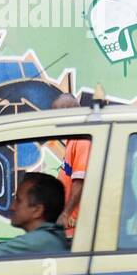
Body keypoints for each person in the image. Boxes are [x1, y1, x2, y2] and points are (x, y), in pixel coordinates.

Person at [51, 93, 90, 236]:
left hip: (76, 230)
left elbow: (80, 181)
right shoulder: (73, 138)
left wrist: (66, 214)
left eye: (56, 115)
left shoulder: (82, 140)